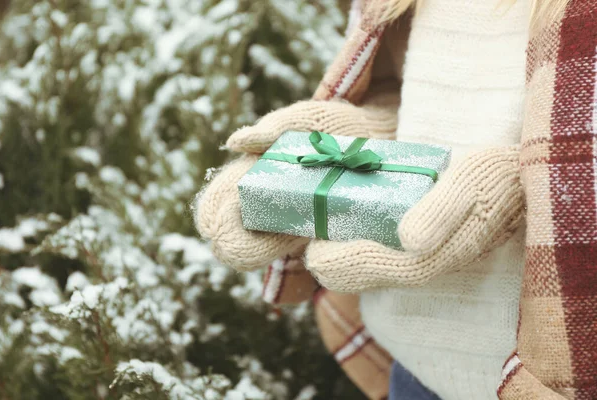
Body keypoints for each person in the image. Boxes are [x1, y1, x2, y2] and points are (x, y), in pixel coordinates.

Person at [195, 0, 596, 398]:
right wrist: (365, 130)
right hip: (411, 368)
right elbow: (397, 87)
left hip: (528, 377)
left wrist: (520, 182)